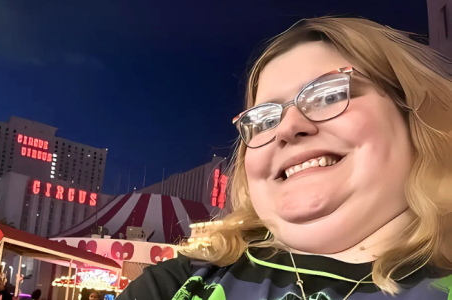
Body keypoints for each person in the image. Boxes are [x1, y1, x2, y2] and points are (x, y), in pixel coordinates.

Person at [118, 16, 452, 300]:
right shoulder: (177, 287)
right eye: (263, 119)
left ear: (415, 117)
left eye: (328, 94)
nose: (287, 128)